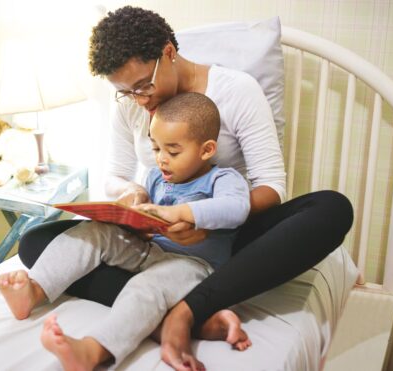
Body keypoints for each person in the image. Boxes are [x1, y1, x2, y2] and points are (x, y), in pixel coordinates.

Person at [18, 6, 354, 371]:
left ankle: (187, 311)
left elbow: (271, 188)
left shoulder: (237, 91)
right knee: (35, 241)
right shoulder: (133, 105)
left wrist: (203, 219)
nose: (141, 99)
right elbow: (115, 175)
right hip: (158, 237)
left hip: (228, 232)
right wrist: (135, 197)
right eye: (126, 92)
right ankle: (166, 315)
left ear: (168, 52)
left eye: (144, 84)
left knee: (332, 208)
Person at [0, 93, 252, 370]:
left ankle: (92, 350)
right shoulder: (155, 176)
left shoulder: (223, 179)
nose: (162, 160)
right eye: (156, 149)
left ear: (206, 149)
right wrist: (133, 218)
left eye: (173, 151)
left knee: (145, 286)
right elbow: (146, 217)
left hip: (193, 265)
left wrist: (180, 213)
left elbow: (236, 208)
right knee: (93, 232)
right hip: (148, 250)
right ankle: (34, 290)